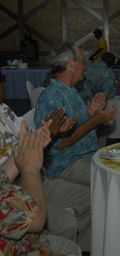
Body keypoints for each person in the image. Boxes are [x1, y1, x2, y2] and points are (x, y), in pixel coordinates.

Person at [0, 107, 83, 255]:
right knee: (68, 236)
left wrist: (28, 147)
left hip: (21, 197)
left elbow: (3, 176)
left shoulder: (4, 110)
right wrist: (29, 169)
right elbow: (36, 219)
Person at [34, 42, 116, 186]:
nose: (86, 67)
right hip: (65, 164)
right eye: (83, 62)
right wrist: (94, 121)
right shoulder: (52, 97)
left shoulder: (70, 91)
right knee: (113, 178)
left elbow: (78, 128)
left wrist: (91, 114)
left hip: (85, 156)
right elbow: (60, 145)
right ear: (71, 65)